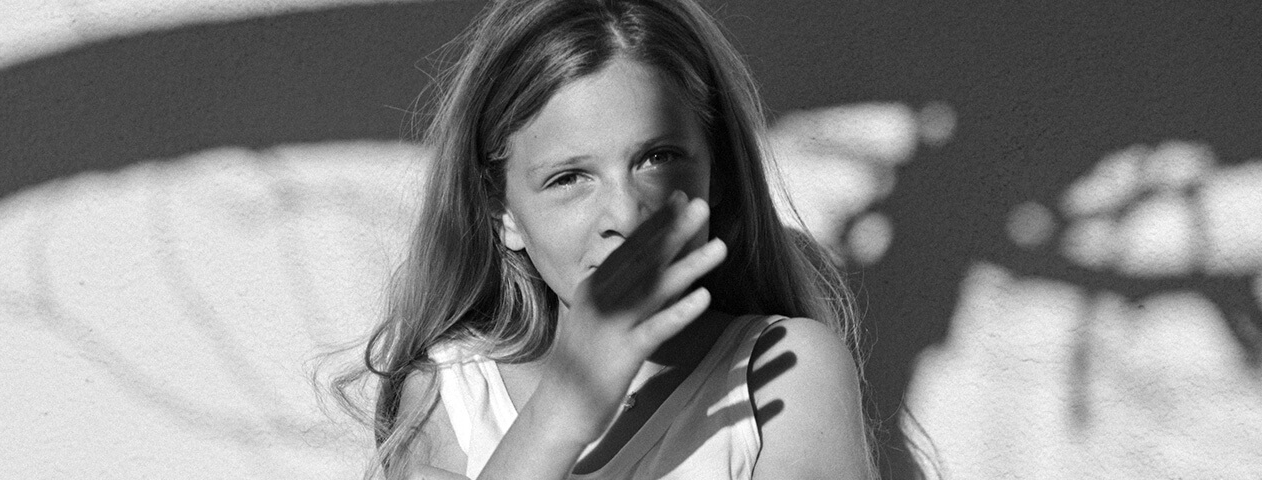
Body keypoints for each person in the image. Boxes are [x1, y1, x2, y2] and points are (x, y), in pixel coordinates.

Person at [332, 0, 872, 477]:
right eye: (569, 178)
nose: (625, 215)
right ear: (503, 213)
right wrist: (564, 408)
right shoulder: (453, 391)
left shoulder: (781, 369)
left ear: (719, 173)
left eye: (657, 158)